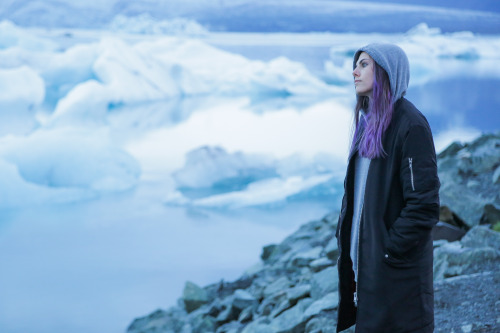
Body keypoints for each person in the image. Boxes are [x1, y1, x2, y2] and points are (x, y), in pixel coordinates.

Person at [335, 43, 440, 332]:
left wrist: (386, 252)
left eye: (364, 64)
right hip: (366, 271)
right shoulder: (367, 123)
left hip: (393, 274)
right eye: (356, 64)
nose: (354, 72)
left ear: (386, 72)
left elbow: (424, 205)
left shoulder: (411, 126)